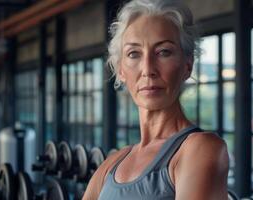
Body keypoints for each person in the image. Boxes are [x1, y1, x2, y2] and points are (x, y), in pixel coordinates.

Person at [82, 0, 229, 199]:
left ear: (187, 65)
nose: (148, 69)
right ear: (121, 70)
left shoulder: (201, 148)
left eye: (163, 52)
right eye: (134, 54)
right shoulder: (112, 163)